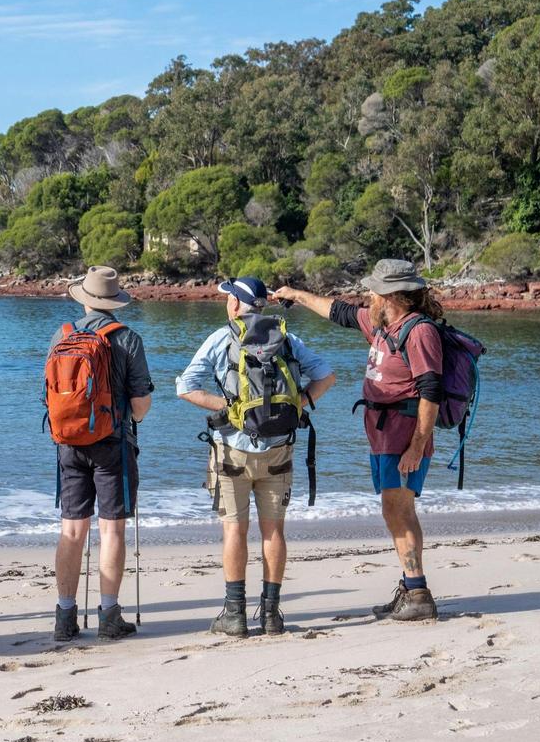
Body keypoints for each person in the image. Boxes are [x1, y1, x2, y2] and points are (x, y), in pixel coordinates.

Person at [274, 259, 444, 621]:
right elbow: (339, 312)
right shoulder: (383, 324)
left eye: (374, 290)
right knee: (397, 510)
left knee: (397, 510)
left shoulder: (420, 332)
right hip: (385, 435)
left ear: (392, 295)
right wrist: (295, 295)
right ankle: (412, 589)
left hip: (404, 435)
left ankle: (418, 594)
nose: (368, 295)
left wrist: (416, 445)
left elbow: (431, 391)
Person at [177, 277, 335, 637]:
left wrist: (230, 410)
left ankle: (234, 615)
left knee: (234, 530)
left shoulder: (221, 338)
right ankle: (271, 615)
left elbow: (187, 388)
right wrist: (299, 403)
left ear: (235, 304)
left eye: (228, 297)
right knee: (273, 530)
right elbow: (327, 377)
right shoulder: (287, 339)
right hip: (280, 447)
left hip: (232, 450)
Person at [49, 266, 154, 642]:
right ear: (114, 302)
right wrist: (127, 416)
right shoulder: (127, 339)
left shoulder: (61, 336)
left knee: (72, 530)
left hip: (68, 443)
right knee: (112, 530)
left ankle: (64, 616)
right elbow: (141, 404)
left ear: (84, 298)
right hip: (113, 444)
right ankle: (109, 614)